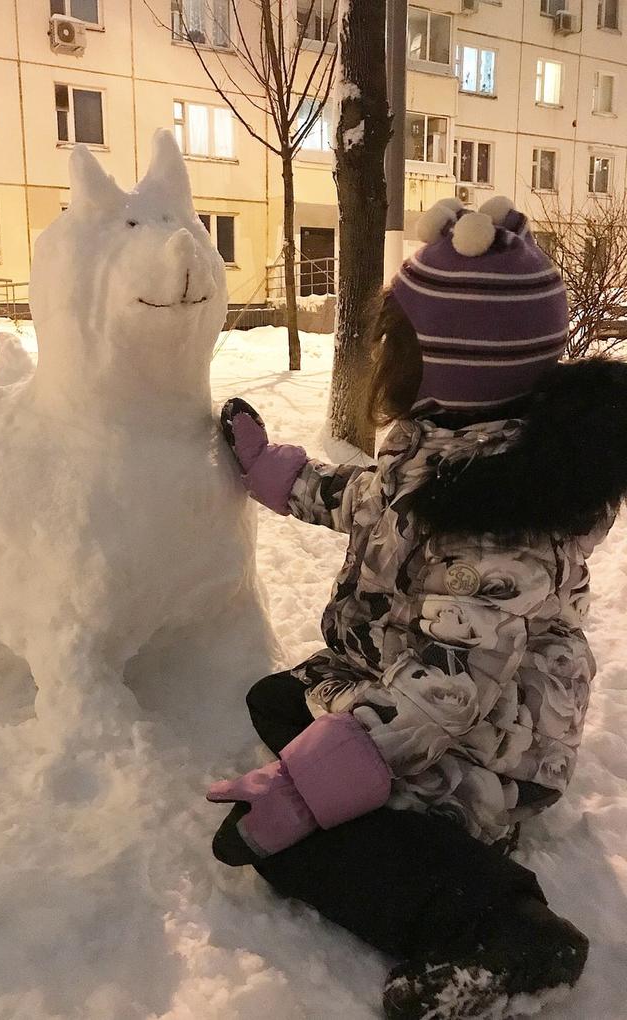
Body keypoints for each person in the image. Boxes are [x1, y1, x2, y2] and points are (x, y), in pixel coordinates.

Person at [208, 196, 627, 1020]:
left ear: (442, 361)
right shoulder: (447, 446)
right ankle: (351, 778)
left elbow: (445, 693)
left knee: (303, 845)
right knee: (275, 700)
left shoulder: (501, 526)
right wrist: (282, 478)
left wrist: (308, 789)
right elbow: (371, 500)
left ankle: (507, 934)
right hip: (407, 677)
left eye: (390, 339)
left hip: (489, 737)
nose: (375, 355)